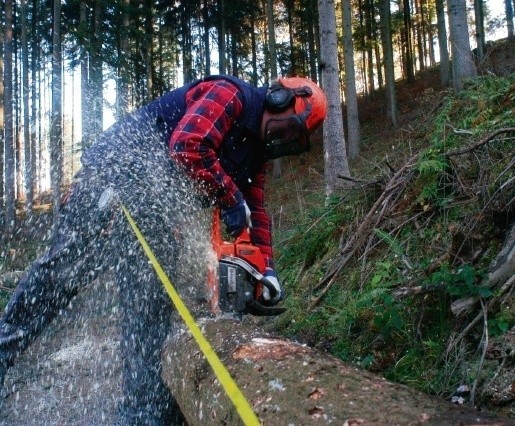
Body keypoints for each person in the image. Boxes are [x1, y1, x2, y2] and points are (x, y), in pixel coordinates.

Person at [0, 74, 327, 424]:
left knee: (150, 297)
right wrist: (230, 199)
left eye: (293, 140)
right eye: (287, 129)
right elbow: (189, 146)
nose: (283, 140)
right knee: (58, 279)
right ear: (278, 99)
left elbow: (256, 210)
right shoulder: (232, 96)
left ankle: (145, 409)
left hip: (151, 204)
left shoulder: (255, 152)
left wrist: (267, 271)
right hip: (113, 178)